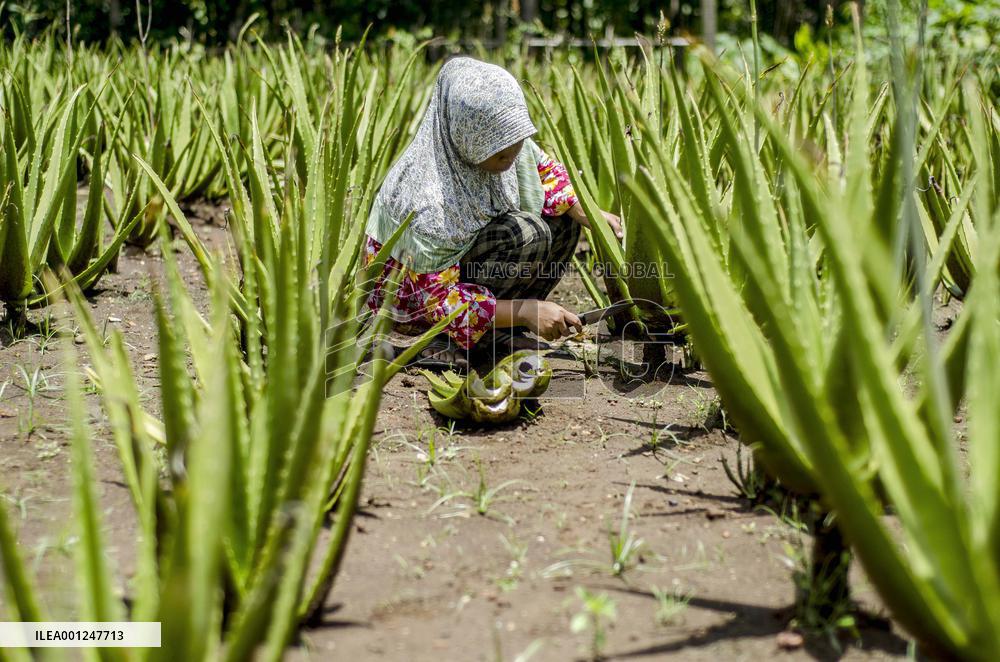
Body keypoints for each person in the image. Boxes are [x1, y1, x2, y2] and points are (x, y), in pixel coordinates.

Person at [363, 56, 621, 368]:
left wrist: (586, 211)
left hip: (462, 273)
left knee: (563, 222)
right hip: (419, 303)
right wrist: (526, 310)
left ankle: (499, 333)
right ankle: (444, 340)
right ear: (465, 137)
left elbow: (543, 171)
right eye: (499, 150)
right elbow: (438, 301)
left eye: (515, 139)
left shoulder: (509, 145)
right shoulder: (428, 200)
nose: (513, 153)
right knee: (525, 233)